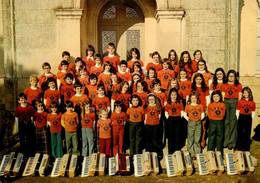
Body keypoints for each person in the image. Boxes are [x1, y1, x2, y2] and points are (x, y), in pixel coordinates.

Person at [222, 70, 242, 150]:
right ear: (227, 77)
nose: (231, 77)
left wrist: (238, 106)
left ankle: (231, 143)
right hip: (226, 102)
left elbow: (240, 96)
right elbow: (223, 97)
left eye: (233, 76)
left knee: (233, 122)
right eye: (229, 76)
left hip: (235, 102)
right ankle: (225, 142)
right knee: (226, 122)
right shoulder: (224, 85)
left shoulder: (238, 85)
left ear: (235, 77)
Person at [184, 92, 204, 160]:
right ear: (190, 99)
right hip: (190, 123)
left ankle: (197, 152)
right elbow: (184, 114)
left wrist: (199, 119)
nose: (193, 99)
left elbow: (202, 114)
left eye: (195, 98)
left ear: (197, 98)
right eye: (192, 98)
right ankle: (191, 153)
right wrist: (189, 120)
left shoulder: (200, 105)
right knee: (190, 138)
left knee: (197, 138)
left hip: (198, 123)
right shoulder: (188, 106)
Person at [236, 87, 256, 151]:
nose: (245, 94)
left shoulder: (252, 102)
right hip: (241, 117)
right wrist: (238, 118)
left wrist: (250, 118)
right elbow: (237, 111)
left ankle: (246, 148)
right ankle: (239, 147)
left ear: (249, 93)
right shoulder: (240, 101)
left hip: (248, 118)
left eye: (246, 93)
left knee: (247, 133)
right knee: (240, 133)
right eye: (244, 93)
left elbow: (253, 111)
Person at [165, 88, 184, 154]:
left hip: (178, 119)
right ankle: (171, 150)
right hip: (170, 119)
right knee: (171, 135)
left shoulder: (180, 103)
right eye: (172, 95)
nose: (174, 96)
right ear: (170, 95)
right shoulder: (168, 103)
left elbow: (182, 112)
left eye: (175, 95)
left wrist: (179, 118)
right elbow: (166, 112)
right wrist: (169, 118)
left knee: (177, 134)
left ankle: (177, 149)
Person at [207, 90, 226, 155]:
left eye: (217, 96)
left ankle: (219, 153)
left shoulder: (222, 104)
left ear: (220, 97)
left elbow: (223, 113)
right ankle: (210, 152)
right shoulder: (210, 105)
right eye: (214, 97)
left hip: (220, 122)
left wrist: (221, 118)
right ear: (212, 97)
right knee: (211, 137)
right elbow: (208, 113)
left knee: (220, 137)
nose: (216, 98)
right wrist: (211, 119)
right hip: (212, 122)